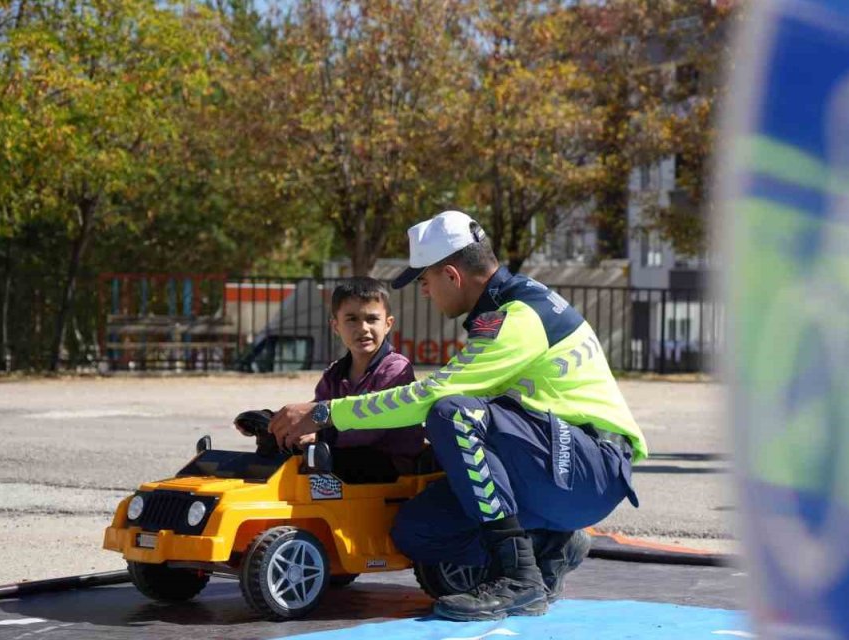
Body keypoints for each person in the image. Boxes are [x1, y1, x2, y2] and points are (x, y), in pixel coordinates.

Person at [269, 210, 646, 621]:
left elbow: (435, 395)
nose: (425, 292)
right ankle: (550, 545)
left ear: (452, 275)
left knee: (452, 415)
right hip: (559, 469)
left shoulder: (517, 318)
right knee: (416, 531)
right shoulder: (510, 303)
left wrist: (325, 413)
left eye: (424, 281)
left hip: (587, 471)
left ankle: (520, 580)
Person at [242, 277, 423, 477]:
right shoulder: (335, 373)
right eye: (352, 319)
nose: (363, 328)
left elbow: (372, 427)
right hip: (345, 454)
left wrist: (318, 433)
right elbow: (315, 410)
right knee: (281, 456)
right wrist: (275, 422)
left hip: (391, 464)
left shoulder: (396, 369)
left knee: (314, 464)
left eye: (371, 319)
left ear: (388, 324)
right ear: (336, 327)